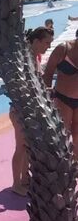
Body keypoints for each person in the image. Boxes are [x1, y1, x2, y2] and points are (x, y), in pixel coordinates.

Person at [8, 27, 53, 196]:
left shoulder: (34, 58)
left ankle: (25, 179)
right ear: (36, 41)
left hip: (30, 109)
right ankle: (16, 184)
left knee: (28, 147)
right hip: (20, 109)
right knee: (20, 147)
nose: (48, 46)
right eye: (46, 43)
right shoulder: (25, 60)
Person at [43, 28, 78, 158]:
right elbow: (48, 72)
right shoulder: (63, 49)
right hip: (63, 98)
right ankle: (64, 165)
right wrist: (46, 95)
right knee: (63, 135)